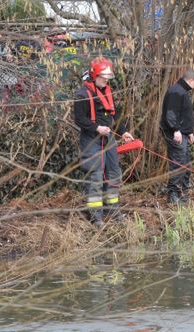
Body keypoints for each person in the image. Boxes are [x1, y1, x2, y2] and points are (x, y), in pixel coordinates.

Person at [73, 57, 134, 228]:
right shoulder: (82, 95)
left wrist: (123, 132)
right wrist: (96, 128)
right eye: (103, 77)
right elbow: (79, 120)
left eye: (108, 77)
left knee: (114, 173)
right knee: (96, 176)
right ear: (94, 75)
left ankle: (113, 210)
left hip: (109, 139)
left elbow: (113, 116)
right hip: (91, 140)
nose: (106, 80)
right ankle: (96, 216)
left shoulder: (107, 91)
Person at [160, 69, 194, 204]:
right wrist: (175, 130)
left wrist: (189, 132)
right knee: (177, 164)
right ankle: (173, 195)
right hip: (175, 135)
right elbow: (171, 113)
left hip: (183, 134)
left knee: (185, 163)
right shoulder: (176, 91)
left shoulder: (182, 92)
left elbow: (184, 116)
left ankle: (182, 192)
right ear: (191, 80)